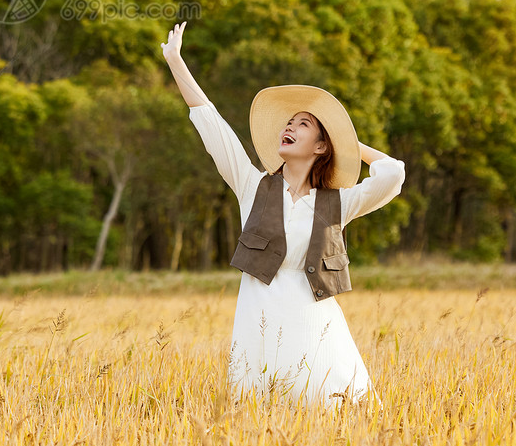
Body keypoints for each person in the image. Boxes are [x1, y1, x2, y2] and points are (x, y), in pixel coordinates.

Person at [161, 21, 405, 405]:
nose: (289, 127)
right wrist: (175, 61)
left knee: (328, 412)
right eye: (289, 123)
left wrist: (348, 142)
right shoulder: (252, 185)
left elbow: (392, 174)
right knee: (259, 415)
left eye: (302, 124)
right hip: (258, 326)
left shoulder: (337, 202)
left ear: (321, 145)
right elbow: (212, 124)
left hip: (316, 327)